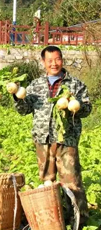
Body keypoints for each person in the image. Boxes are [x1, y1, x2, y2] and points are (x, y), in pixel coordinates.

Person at [14, 46, 91, 228]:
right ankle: (53, 220)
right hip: (42, 138)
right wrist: (17, 97)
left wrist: (75, 105)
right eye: (50, 60)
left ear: (62, 60)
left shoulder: (75, 84)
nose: (54, 63)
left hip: (66, 140)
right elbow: (24, 110)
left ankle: (80, 221)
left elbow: (87, 109)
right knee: (47, 182)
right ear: (43, 62)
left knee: (71, 182)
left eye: (57, 59)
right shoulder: (35, 85)